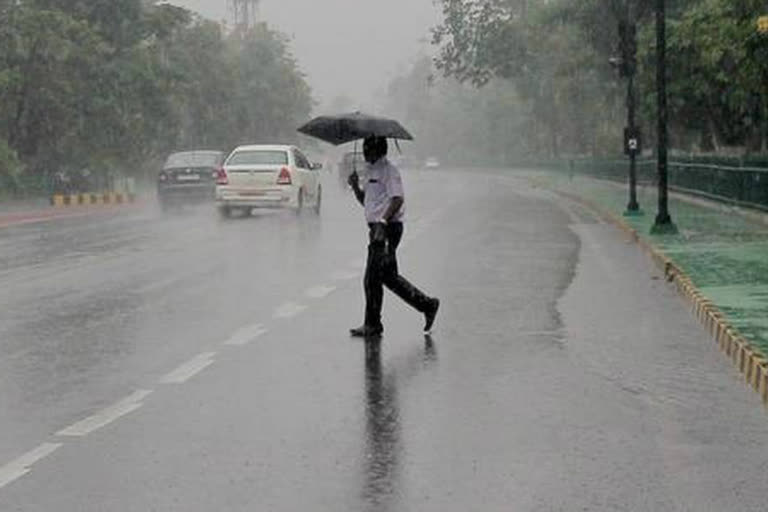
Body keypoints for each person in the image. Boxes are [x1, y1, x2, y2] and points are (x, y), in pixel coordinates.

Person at [347, 135, 440, 338]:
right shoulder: (371, 171)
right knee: (388, 277)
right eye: (363, 146)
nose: (363, 151)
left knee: (372, 277)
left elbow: (397, 199)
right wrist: (355, 188)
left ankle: (372, 324)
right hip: (377, 228)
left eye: (367, 147)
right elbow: (369, 203)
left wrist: (382, 222)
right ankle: (427, 305)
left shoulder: (389, 171)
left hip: (387, 229)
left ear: (378, 149)